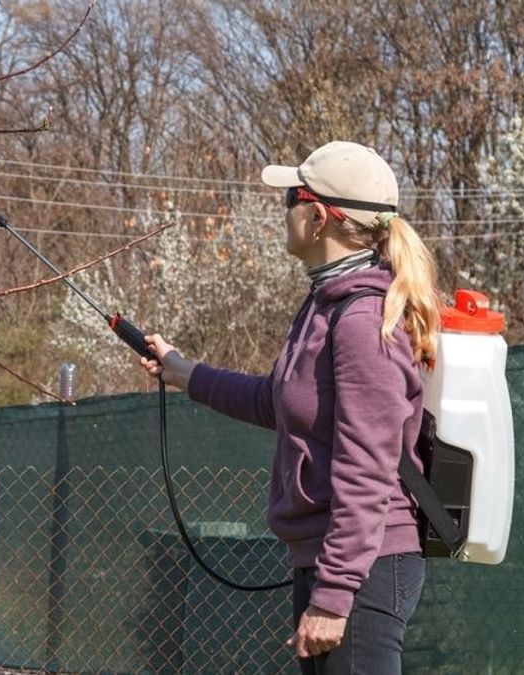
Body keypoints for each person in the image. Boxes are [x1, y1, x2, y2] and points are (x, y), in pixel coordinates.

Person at [137, 141, 442, 674]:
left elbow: (367, 467)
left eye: (289, 198)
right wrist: (186, 373)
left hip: (364, 566)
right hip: (330, 559)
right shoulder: (323, 306)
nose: (283, 210)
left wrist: (335, 592)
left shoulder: (361, 321)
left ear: (318, 216)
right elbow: (279, 400)